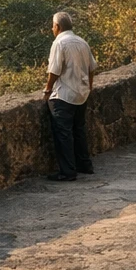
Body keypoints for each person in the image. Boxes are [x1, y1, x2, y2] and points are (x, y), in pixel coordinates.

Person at [44, 10, 97, 181]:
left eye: (53, 26)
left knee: (63, 133)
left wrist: (47, 90)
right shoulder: (82, 42)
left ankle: (67, 171)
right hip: (81, 93)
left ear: (57, 26)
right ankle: (84, 164)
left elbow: (54, 71)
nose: (52, 29)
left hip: (64, 95)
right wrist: (88, 87)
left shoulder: (59, 43)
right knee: (79, 129)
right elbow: (91, 68)